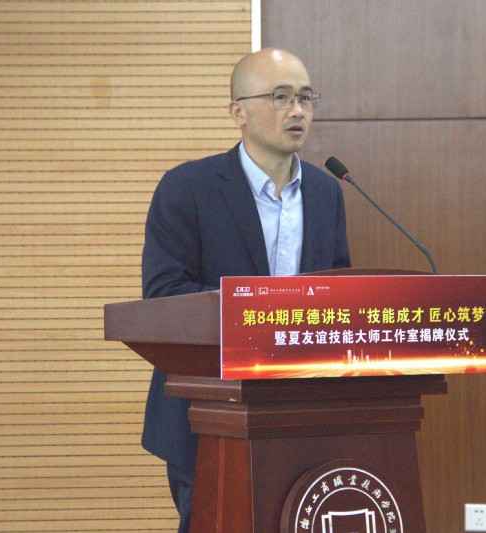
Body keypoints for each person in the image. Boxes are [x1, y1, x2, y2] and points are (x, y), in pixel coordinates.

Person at [140, 48, 351, 532]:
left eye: (305, 98)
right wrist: (262, 316)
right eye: (280, 97)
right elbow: (166, 295)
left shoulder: (326, 193)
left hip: (302, 413)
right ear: (238, 111)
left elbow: (337, 291)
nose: (297, 110)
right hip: (207, 412)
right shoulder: (187, 188)